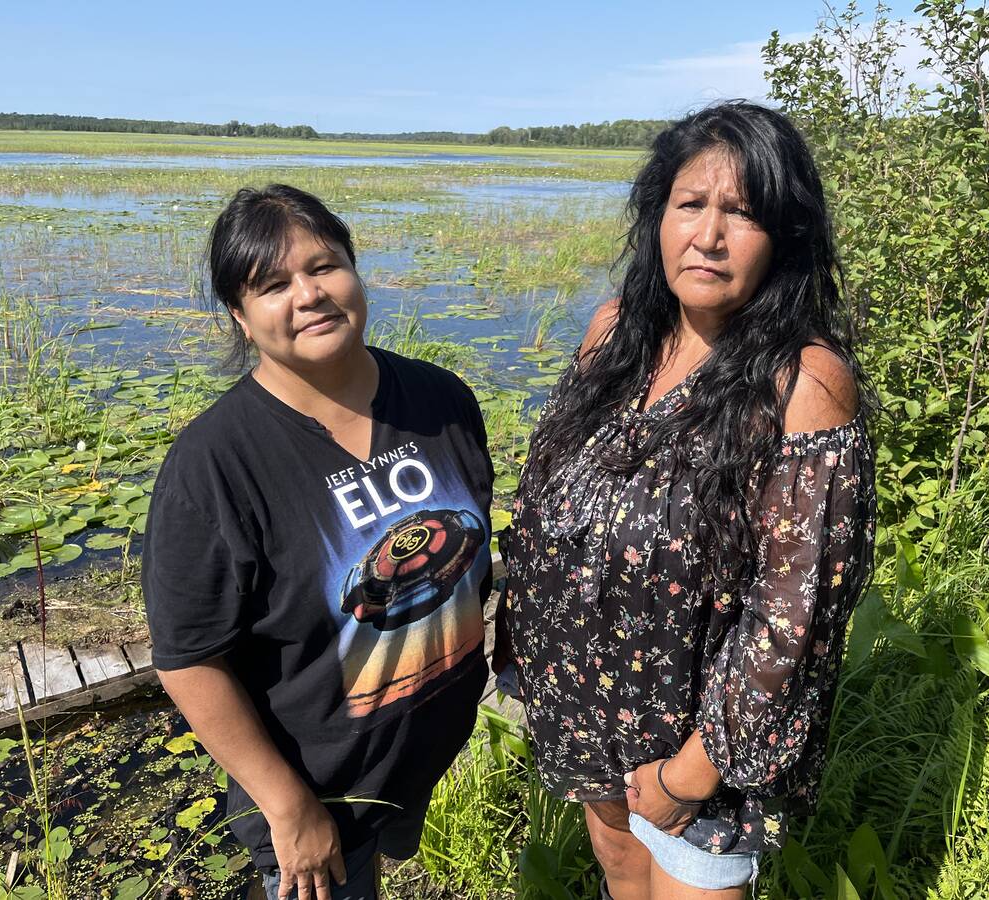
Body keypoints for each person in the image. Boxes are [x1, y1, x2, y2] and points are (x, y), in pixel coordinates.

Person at [497, 101, 877, 899]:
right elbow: (548, 507)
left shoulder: (802, 384)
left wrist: (686, 775)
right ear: (657, 218)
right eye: (690, 205)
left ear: (785, 238)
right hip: (588, 704)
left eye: (741, 213)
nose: (708, 235)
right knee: (617, 880)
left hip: (702, 747)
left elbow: (793, 623)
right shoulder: (611, 336)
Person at [142, 184, 494, 900]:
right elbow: (188, 658)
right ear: (240, 315)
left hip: (423, 754)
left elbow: (470, 549)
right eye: (273, 284)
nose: (310, 295)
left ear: (355, 272)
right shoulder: (215, 463)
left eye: (324, 265)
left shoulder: (438, 399)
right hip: (316, 793)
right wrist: (288, 806)